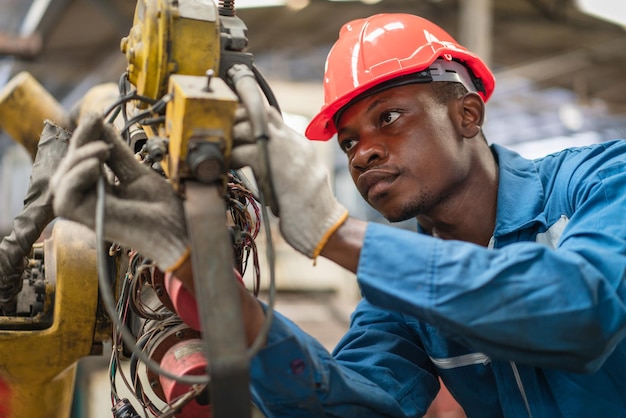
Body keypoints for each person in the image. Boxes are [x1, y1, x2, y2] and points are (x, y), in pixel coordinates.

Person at [50, 13, 626, 418]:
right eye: (348, 143)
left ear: (468, 114)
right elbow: (347, 405)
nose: (364, 151)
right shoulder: (395, 300)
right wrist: (212, 286)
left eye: (390, 118)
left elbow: (584, 312)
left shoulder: (600, 181)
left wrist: (334, 232)